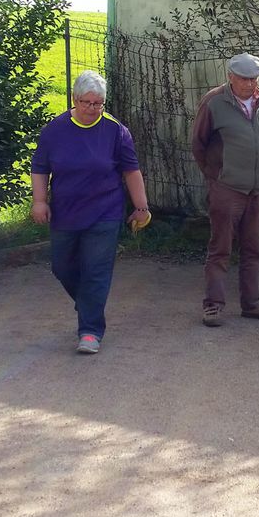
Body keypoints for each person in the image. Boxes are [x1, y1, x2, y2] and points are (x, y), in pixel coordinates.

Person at [30, 70, 151, 354]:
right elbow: (40, 168)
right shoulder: (54, 131)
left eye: (98, 104)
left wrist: (141, 207)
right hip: (65, 213)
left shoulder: (115, 130)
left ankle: (90, 331)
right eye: (86, 103)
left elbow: (131, 171)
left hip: (104, 212)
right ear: (74, 99)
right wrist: (39, 201)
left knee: (96, 271)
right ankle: (89, 305)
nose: (92, 109)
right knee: (62, 267)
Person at [192, 52, 259, 326]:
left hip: (257, 188)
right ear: (230, 77)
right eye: (244, 79)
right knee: (220, 248)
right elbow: (198, 143)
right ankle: (213, 306)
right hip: (226, 187)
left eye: (254, 79)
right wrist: (215, 176)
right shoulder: (214, 102)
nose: (249, 84)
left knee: (253, 248)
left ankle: (252, 304)